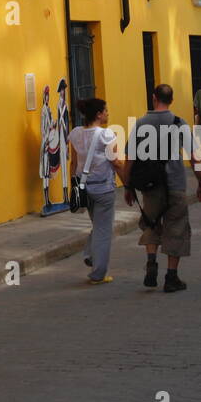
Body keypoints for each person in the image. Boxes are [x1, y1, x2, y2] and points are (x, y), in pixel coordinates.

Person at [124, 83, 201, 292]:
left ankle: (151, 262)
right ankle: (171, 277)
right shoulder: (179, 123)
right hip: (175, 184)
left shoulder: (141, 124)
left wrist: (127, 186)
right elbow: (195, 158)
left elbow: (130, 159)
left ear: (154, 98)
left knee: (151, 223)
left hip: (150, 186)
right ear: (172, 100)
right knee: (176, 228)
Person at [68, 98, 124, 285]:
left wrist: (75, 185)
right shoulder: (105, 135)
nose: (108, 113)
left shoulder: (75, 134)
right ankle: (98, 273)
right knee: (103, 230)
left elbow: (74, 163)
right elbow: (115, 162)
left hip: (84, 188)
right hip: (103, 188)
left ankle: (91, 254)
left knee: (98, 225)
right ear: (99, 114)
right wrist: (128, 182)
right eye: (105, 111)